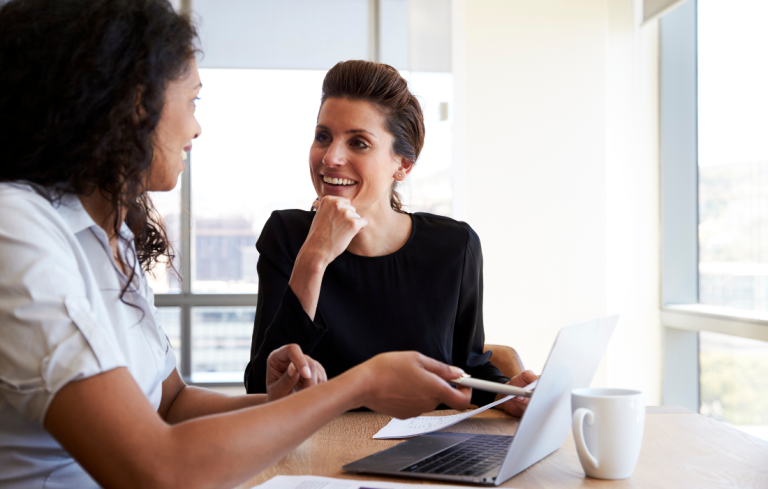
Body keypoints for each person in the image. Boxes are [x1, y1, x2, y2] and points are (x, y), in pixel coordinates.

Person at [0, 1, 475, 487]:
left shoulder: (110, 236)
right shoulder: (15, 229)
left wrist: (286, 403)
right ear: (124, 105)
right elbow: (154, 468)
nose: (196, 128)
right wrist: (362, 382)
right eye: (192, 102)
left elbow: (171, 403)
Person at [244, 60, 539, 414]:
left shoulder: (454, 247)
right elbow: (262, 388)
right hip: (320, 454)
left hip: (424, 453)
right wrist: (315, 257)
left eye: (359, 143)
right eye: (323, 136)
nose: (331, 156)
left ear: (403, 165)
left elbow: (466, 368)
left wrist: (503, 393)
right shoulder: (287, 237)